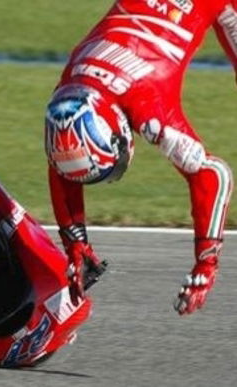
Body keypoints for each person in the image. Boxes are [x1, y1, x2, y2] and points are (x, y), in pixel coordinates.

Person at [45, 0, 235, 315]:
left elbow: (214, 175)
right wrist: (75, 243)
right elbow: (62, 163)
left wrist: (206, 263)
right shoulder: (69, 92)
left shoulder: (149, 108)